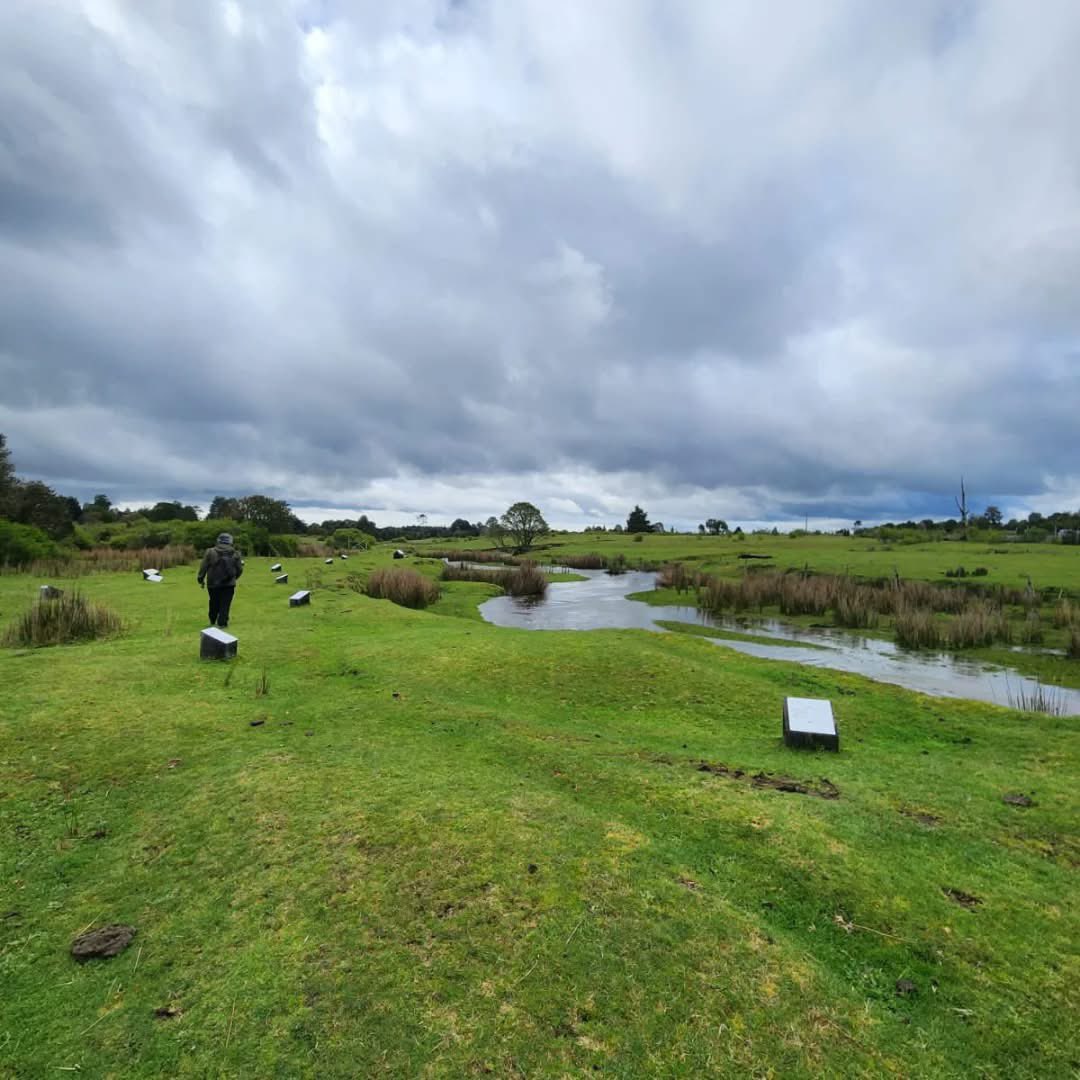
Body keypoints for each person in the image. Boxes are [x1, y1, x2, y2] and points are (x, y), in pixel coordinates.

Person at [197, 532, 244, 628]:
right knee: (225, 603)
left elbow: (203, 567)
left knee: (214, 601)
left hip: (213, 583)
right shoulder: (235, 553)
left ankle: (212, 620)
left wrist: (200, 579)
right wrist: (234, 578)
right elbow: (239, 569)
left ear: (218, 541)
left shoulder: (210, 551)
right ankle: (222, 623)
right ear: (230, 541)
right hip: (229, 584)